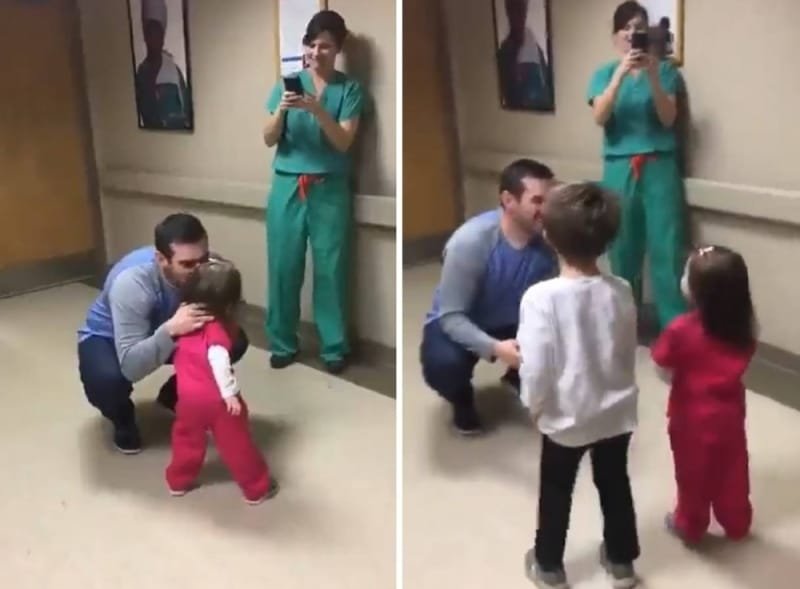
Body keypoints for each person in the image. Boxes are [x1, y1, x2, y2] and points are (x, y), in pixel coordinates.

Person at [518, 182, 640, 589]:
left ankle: (549, 566)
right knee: (615, 484)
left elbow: (536, 366)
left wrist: (533, 405)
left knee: (556, 491)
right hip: (617, 414)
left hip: (566, 419)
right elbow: (624, 350)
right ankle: (622, 562)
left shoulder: (541, 298)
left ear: (549, 236)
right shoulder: (621, 289)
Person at [77, 213, 249, 454]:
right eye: (187, 264)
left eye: (203, 260)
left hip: (174, 326)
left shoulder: (211, 267)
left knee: (234, 341)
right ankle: (123, 419)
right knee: (107, 381)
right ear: (161, 259)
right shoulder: (132, 283)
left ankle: (174, 395)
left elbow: (233, 312)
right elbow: (132, 368)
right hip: (109, 336)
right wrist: (170, 330)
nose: (199, 271)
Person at [420, 159, 558, 435]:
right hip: (461, 320)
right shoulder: (470, 242)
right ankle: (461, 398)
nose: (546, 210)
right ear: (508, 200)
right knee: (444, 366)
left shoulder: (548, 240)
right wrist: (496, 348)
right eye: (537, 201)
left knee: (563, 329)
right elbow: (451, 316)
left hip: (514, 319)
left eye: (549, 201)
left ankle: (517, 376)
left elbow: (553, 301)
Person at [262, 10, 364, 374]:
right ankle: (282, 342)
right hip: (287, 185)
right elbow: (268, 138)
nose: (317, 52)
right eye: (312, 44)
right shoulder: (286, 84)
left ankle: (334, 347)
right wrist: (282, 111)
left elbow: (343, 142)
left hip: (329, 188)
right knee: (283, 265)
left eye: (326, 46)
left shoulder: (349, 90)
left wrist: (319, 111)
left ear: (338, 49)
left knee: (331, 270)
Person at [587, 1, 687, 334]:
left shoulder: (666, 71)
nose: (632, 34)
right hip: (619, 166)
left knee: (667, 247)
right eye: (626, 28)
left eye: (639, 28)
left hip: (659, 165)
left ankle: (674, 327)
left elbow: (668, 118)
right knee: (622, 246)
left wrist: (653, 77)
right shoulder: (603, 74)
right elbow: (600, 116)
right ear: (616, 36)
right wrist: (619, 75)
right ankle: (624, 321)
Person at [651, 246, 756, 544]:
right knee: (733, 470)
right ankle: (737, 522)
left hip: (691, 420)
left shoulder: (680, 330)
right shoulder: (743, 329)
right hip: (731, 415)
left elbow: (661, 367)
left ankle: (690, 523)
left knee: (693, 475)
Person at [166, 259, 278, 504]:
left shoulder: (183, 321)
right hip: (217, 400)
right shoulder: (216, 330)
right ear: (230, 304)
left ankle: (178, 481)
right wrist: (230, 394)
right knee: (236, 443)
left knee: (186, 439)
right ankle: (256, 488)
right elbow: (219, 362)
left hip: (186, 397)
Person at [135, 0, 192, 130]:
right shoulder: (142, 73)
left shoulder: (174, 71)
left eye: (158, 34)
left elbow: (187, 108)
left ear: (162, 38)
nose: (154, 39)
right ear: (145, 37)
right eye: (151, 33)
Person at [496, 0, 554, 110]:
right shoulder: (505, 51)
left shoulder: (535, 47)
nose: (520, 14)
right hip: (520, 115)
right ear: (508, 12)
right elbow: (508, 93)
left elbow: (547, 83)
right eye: (516, 9)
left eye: (522, 9)